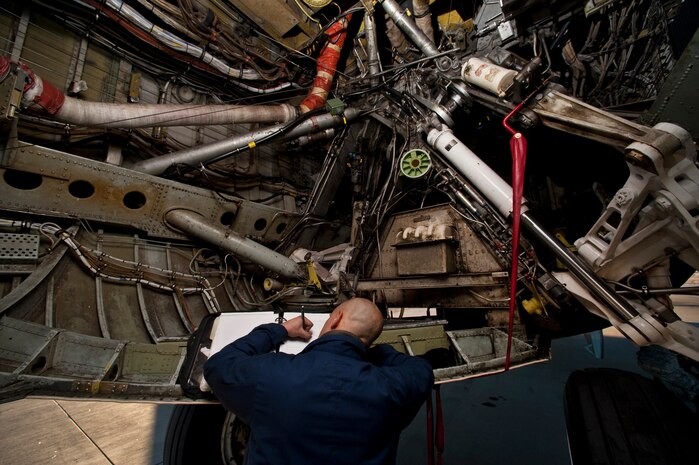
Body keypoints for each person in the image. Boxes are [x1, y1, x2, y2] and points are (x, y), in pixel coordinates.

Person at [204, 297, 435, 465]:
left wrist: (279, 330)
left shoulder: (271, 374)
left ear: (336, 319)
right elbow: (422, 370)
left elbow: (217, 366)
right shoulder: (395, 388)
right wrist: (374, 350)